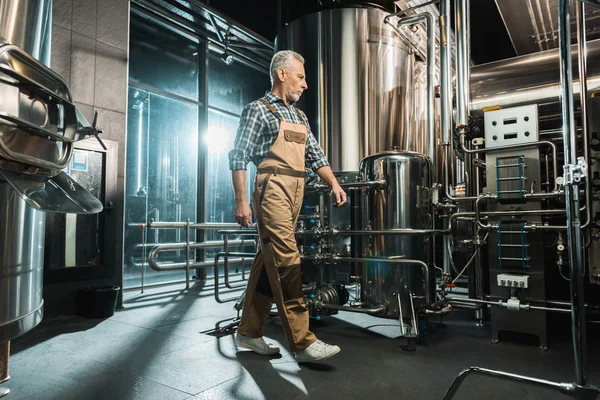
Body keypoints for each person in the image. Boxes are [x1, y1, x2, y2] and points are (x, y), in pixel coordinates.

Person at [228, 50, 347, 363]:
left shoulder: (299, 116)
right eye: (301, 77)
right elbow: (238, 156)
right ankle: (303, 341)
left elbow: (315, 155)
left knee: (268, 263)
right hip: (272, 189)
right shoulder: (258, 110)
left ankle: (248, 332)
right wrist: (241, 200)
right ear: (282, 74)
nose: (305, 85)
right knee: (287, 261)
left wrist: (333, 182)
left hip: (296, 191)